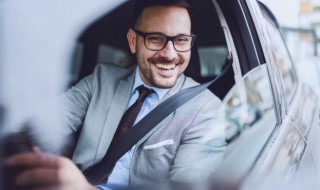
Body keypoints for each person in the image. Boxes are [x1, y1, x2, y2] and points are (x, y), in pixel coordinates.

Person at [4, 0, 226, 189]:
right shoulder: (102, 79)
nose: (169, 54)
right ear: (133, 41)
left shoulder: (206, 110)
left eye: (181, 40)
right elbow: (41, 125)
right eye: (156, 38)